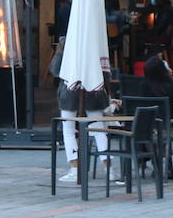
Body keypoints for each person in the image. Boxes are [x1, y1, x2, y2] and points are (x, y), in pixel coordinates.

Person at [50, 45, 121, 185]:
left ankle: (75, 168)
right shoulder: (92, 42)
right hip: (93, 89)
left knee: (69, 130)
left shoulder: (67, 43)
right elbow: (106, 71)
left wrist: (60, 50)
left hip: (68, 89)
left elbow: (55, 70)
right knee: (99, 130)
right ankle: (109, 169)